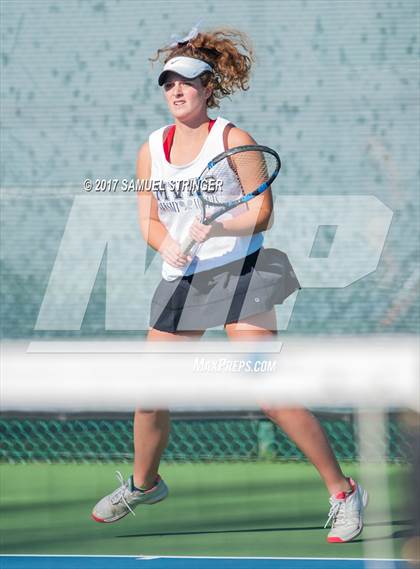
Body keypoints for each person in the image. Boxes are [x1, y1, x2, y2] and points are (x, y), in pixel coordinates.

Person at [91, 26, 368, 543]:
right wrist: (165, 245)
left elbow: (261, 212)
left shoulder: (233, 140)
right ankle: (145, 485)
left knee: (270, 393)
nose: (176, 90)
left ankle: (344, 491)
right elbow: (148, 220)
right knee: (149, 394)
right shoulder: (151, 149)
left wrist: (218, 225)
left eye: (188, 82)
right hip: (184, 277)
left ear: (208, 88)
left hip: (240, 273)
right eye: (168, 81)